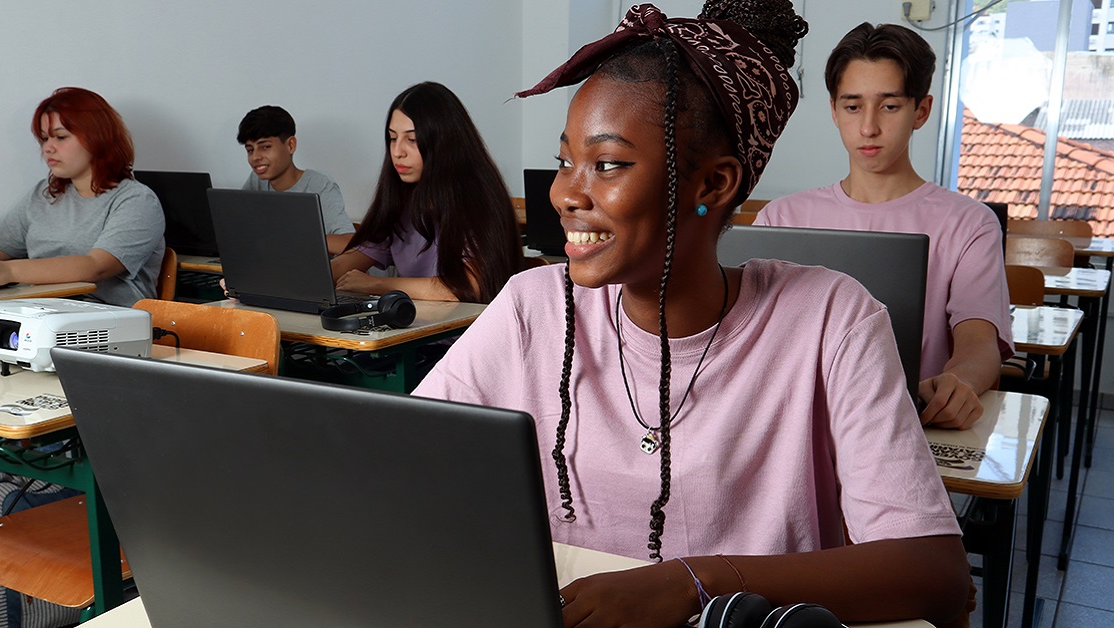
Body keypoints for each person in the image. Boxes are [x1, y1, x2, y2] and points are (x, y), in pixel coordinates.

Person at [414, 3, 969, 627]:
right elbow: (402, 467)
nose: (566, 193)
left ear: (713, 185)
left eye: (608, 164)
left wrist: (693, 583)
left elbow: (936, 574)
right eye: (566, 160)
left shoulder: (831, 320)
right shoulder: (533, 307)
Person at [757, 22, 1013, 430]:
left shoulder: (968, 223)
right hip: (798, 421)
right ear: (834, 110)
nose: (868, 127)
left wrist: (958, 382)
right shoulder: (780, 218)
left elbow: (979, 340)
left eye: (889, 106)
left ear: (921, 111)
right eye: (853, 106)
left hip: (908, 422)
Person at [0, 87, 164, 307]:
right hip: (40, 312)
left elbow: (96, 266)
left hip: (107, 319)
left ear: (98, 139)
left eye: (61, 137)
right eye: (45, 139)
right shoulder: (43, 194)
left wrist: (7, 270)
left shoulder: (137, 201)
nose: (48, 148)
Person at [329, 82, 522, 303]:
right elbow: (349, 262)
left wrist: (377, 284)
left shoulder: (478, 200)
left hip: (463, 334)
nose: (397, 152)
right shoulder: (401, 200)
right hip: (415, 332)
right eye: (393, 138)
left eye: (411, 140)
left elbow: (468, 287)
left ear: (443, 142)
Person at [238, 105, 355, 255]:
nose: (255, 157)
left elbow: (348, 243)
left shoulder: (320, 185)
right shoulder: (256, 182)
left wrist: (291, 238)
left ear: (290, 145)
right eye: (250, 150)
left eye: (265, 147)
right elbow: (239, 229)